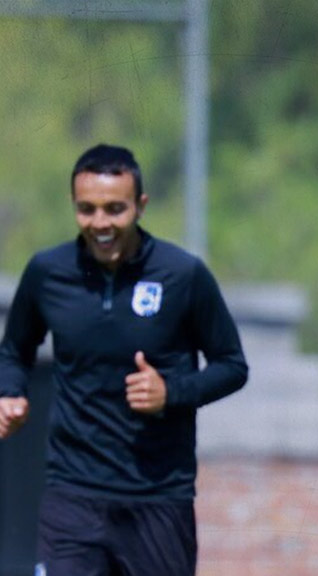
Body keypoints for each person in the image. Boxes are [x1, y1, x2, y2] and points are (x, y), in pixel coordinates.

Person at [0, 144, 248, 576]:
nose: (100, 224)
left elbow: (232, 365)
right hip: (72, 495)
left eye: (115, 209)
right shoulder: (47, 273)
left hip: (157, 499)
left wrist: (172, 392)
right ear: (74, 206)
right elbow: (14, 351)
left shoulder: (182, 275)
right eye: (87, 209)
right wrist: (10, 392)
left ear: (140, 205)